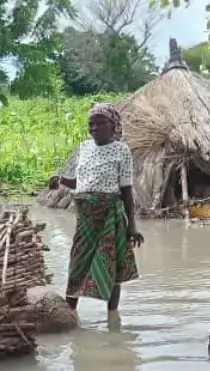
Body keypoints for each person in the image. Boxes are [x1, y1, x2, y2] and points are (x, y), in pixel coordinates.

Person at [48, 103, 143, 314]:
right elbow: (81, 181)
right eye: (91, 124)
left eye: (101, 123)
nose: (95, 128)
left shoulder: (122, 150)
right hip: (85, 219)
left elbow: (126, 191)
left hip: (110, 215)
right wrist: (61, 180)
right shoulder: (84, 147)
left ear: (113, 125)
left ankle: (112, 317)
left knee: (111, 265)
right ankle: (69, 315)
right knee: (77, 264)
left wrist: (132, 226)